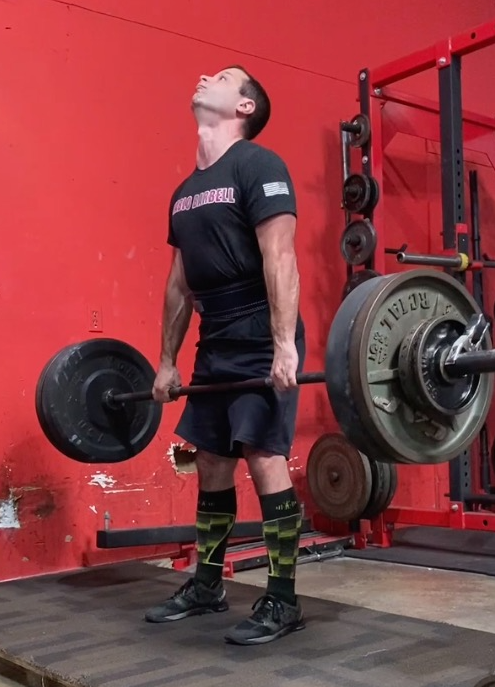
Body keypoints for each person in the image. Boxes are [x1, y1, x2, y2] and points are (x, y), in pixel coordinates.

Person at [142, 66, 306, 645]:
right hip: (216, 337)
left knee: (264, 459)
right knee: (211, 461)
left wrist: (284, 345)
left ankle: (283, 599)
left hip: (262, 331)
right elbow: (178, 286)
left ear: (244, 108)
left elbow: (280, 258)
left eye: (225, 77)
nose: (206, 76)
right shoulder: (184, 193)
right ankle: (208, 585)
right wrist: (166, 361)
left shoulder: (260, 165)